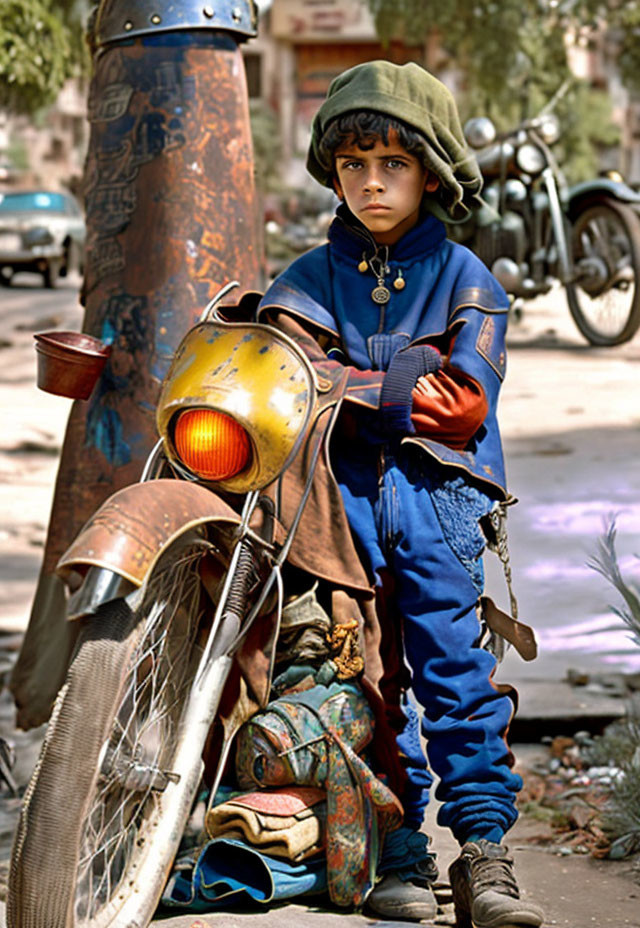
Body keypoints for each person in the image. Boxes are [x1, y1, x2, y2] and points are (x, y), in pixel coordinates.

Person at [257, 60, 544, 928]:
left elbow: (459, 409)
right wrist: (396, 377)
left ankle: (485, 859)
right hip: (337, 502)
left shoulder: (466, 277)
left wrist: (348, 378)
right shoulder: (311, 273)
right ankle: (402, 854)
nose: (372, 183)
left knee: (457, 676)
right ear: (333, 173)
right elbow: (281, 367)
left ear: (431, 170)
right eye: (353, 166)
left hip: (440, 503)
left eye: (392, 164)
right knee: (366, 675)